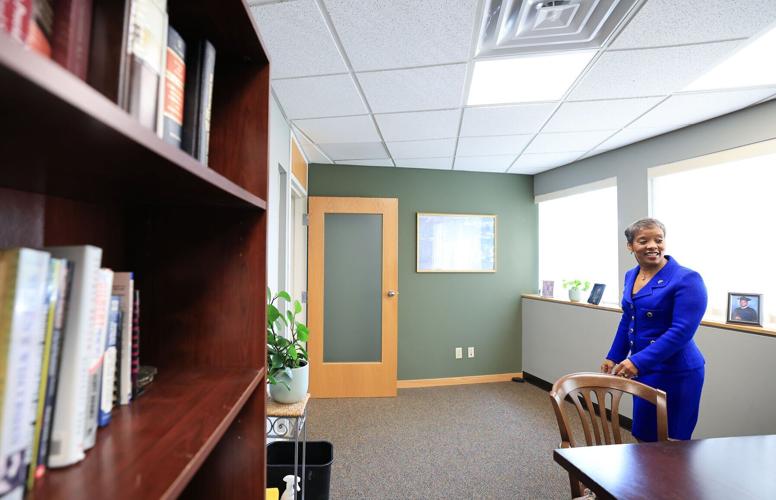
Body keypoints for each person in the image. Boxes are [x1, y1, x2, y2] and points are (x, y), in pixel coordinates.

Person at [600, 218, 707, 442]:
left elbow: (681, 332)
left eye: (658, 240)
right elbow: (628, 318)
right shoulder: (631, 275)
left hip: (676, 372)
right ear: (630, 246)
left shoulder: (687, 279)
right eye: (643, 240)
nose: (652, 245)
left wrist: (637, 362)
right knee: (644, 435)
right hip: (645, 369)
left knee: (672, 442)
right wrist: (614, 356)